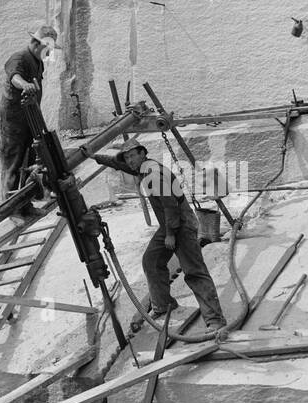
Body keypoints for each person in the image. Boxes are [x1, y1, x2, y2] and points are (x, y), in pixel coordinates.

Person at [93, 140, 227, 336]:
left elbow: (170, 205)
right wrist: (93, 157)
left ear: (142, 153)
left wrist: (171, 235)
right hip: (169, 224)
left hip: (180, 224)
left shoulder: (153, 175)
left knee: (194, 271)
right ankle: (163, 305)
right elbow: (119, 164)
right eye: (127, 157)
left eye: (132, 156)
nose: (129, 161)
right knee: (152, 261)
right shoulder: (143, 167)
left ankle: (215, 320)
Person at [0, 23, 59, 204]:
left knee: (30, 162)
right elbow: (14, 76)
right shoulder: (19, 57)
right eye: (48, 49)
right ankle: (11, 208)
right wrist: (24, 84)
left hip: (29, 118)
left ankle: (25, 203)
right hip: (14, 122)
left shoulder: (37, 61)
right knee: (14, 163)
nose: (49, 54)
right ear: (36, 43)